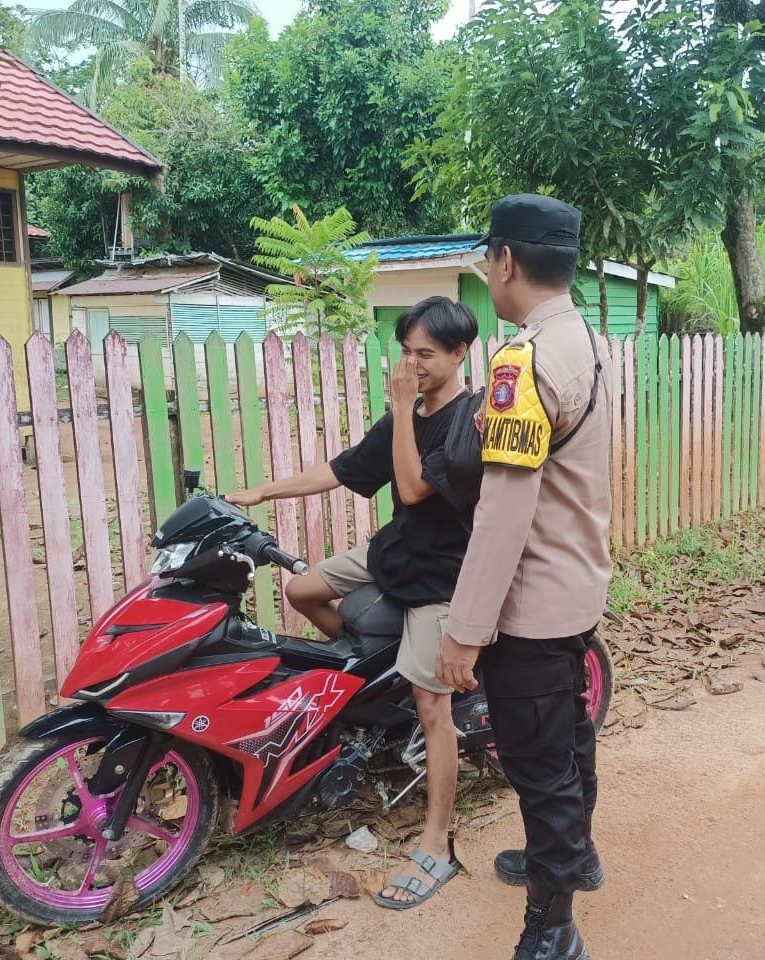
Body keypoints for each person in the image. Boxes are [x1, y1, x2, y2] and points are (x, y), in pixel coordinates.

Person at [227, 296, 478, 909]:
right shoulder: (408, 414)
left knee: (431, 702)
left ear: (459, 354)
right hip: (396, 551)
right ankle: (373, 677)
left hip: (443, 575)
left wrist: (398, 410)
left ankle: (437, 837)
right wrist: (265, 491)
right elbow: (345, 470)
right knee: (300, 588)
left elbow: (415, 489)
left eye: (425, 353)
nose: (411, 363)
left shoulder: (469, 421)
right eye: (406, 351)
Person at [435, 194, 613, 960]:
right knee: (570, 742)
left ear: (506, 260)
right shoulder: (583, 339)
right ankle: (574, 858)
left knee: (539, 764)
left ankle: (554, 924)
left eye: (487, 260)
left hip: (530, 606)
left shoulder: (525, 360)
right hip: (574, 586)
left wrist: (463, 631)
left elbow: (505, 513)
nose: (488, 273)